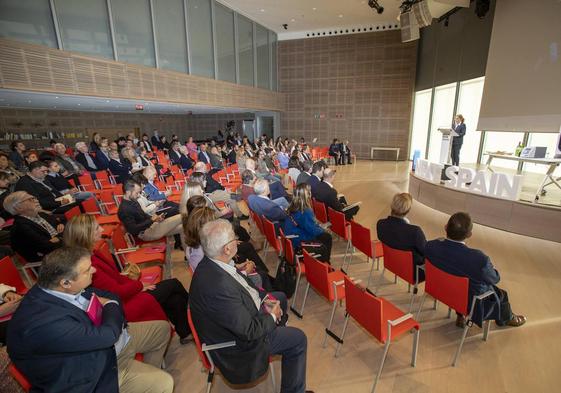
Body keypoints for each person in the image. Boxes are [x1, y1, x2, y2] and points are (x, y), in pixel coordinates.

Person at [7, 247, 174, 393]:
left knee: (161, 329)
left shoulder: (53, 285)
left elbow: (112, 296)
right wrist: (109, 305)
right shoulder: (44, 323)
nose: (94, 270)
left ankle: (143, 378)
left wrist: (110, 304)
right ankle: (145, 381)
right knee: (165, 383)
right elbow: (108, 334)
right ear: (65, 282)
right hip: (88, 375)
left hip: (104, 345)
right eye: (87, 270)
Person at [189, 219, 309, 392]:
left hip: (245, 315)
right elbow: (249, 330)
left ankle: (276, 332)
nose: (238, 240)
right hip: (240, 346)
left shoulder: (214, 263)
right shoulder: (219, 287)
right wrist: (272, 315)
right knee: (298, 339)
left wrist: (267, 303)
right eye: (234, 238)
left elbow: (249, 289)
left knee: (280, 297)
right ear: (227, 249)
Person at [64, 215, 193, 344]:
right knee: (173, 284)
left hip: (126, 296)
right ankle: (198, 314)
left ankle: (187, 331)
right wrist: (139, 286)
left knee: (174, 297)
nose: (102, 230)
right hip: (122, 306)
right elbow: (115, 292)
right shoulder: (87, 265)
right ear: (86, 234)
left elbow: (117, 278)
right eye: (97, 228)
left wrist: (138, 285)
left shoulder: (92, 254)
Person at [425, 212, 526, 328]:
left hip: (441, 291)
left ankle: (460, 315)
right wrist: (492, 268)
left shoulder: (431, 246)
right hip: (470, 304)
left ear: (445, 227)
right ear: (469, 234)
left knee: (459, 279)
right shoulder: (479, 260)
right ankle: (507, 318)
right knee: (501, 294)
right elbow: (495, 278)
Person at [377, 193, 426, 282]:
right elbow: (426, 251)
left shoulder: (380, 224)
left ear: (392, 206)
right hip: (413, 272)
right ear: (408, 210)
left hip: (391, 264)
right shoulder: (414, 232)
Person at [4, 191, 64, 262]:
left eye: (34, 198)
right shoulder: (21, 227)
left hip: (63, 249)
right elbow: (48, 247)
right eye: (30, 199)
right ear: (19, 208)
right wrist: (62, 235)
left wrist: (58, 236)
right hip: (50, 261)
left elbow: (64, 224)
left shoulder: (41, 214)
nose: (36, 200)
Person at [118, 180, 183, 242]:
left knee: (184, 227)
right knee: (183, 216)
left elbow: (143, 214)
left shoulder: (133, 201)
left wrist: (156, 218)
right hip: (145, 233)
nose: (138, 195)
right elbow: (133, 230)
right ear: (128, 192)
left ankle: (188, 251)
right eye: (137, 193)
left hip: (151, 226)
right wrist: (151, 220)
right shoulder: (124, 210)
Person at [283, 184, 332, 262]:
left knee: (323, 235)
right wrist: (323, 229)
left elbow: (306, 225)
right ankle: (325, 262)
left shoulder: (292, 206)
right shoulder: (305, 210)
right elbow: (312, 230)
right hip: (298, 242)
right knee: (327, 237)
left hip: (292, 238)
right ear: (307, 195)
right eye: (309, 191)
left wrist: (319, 227)